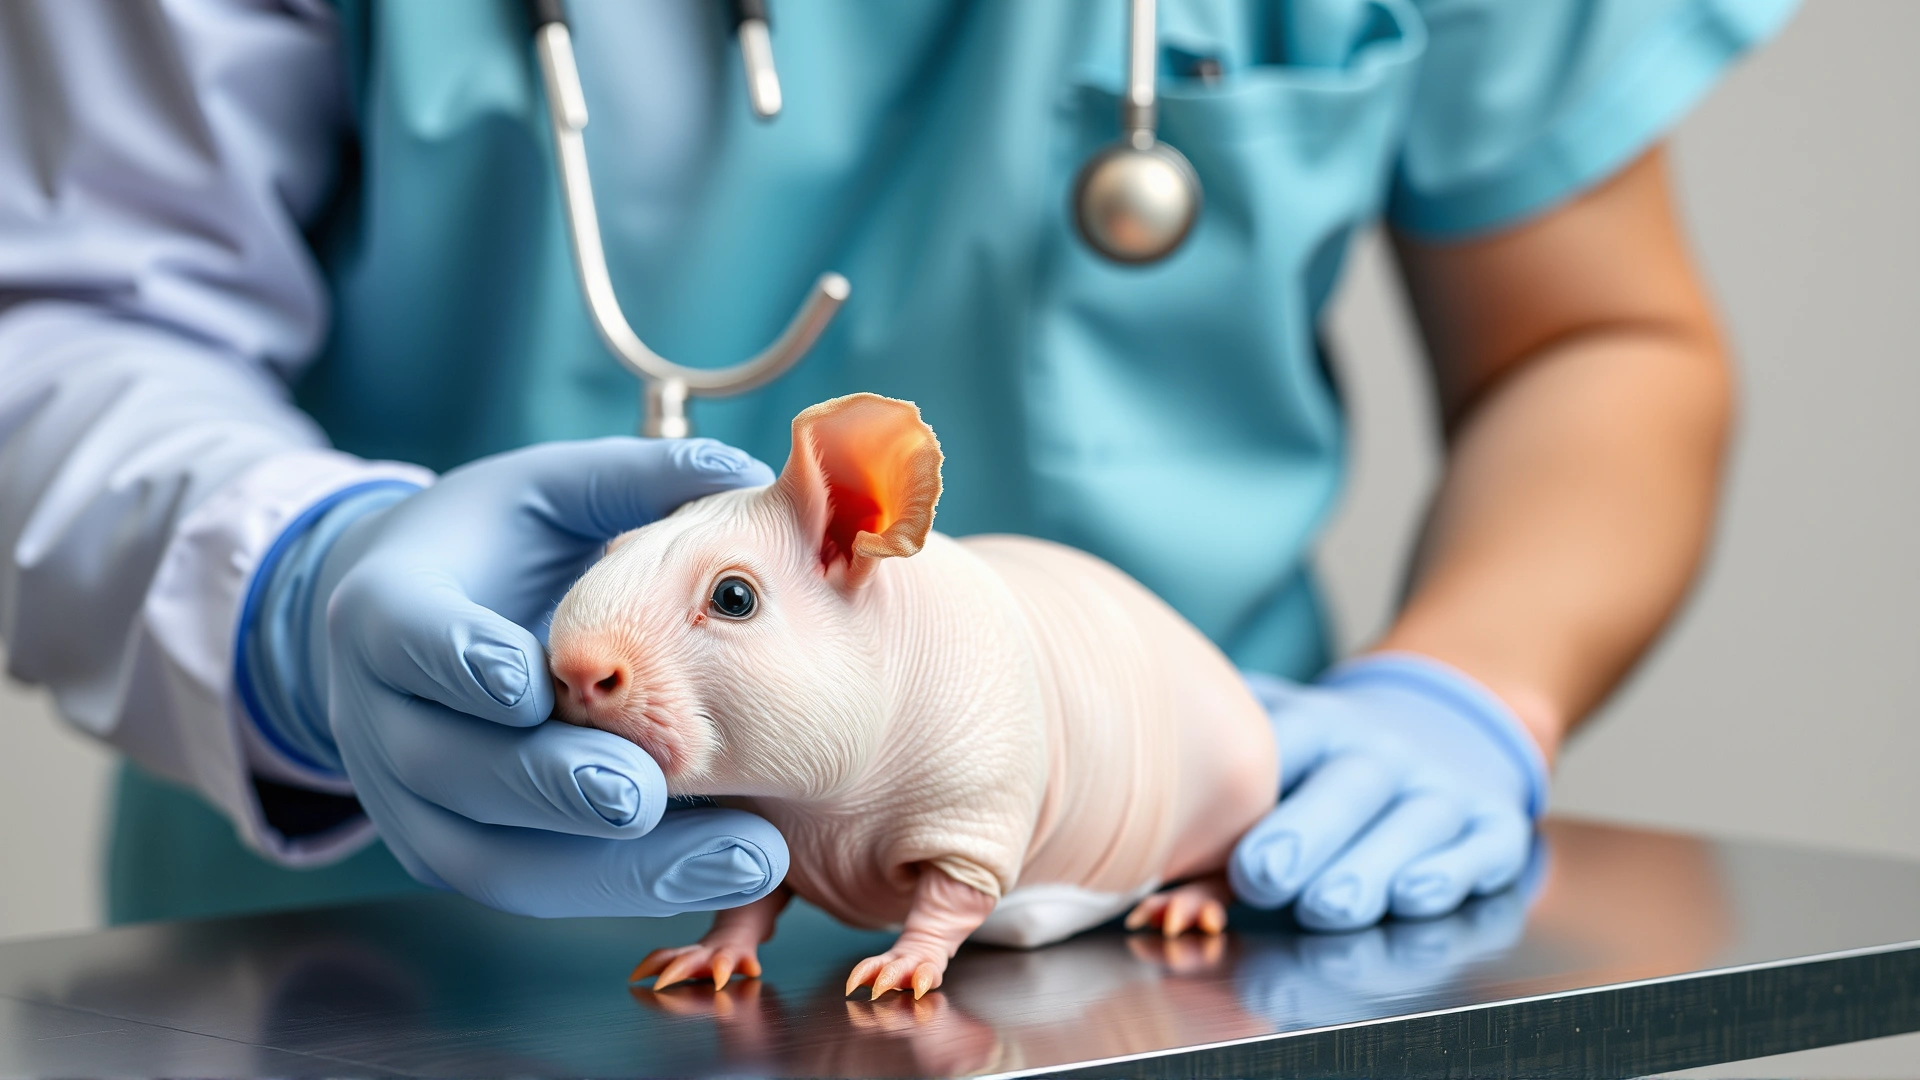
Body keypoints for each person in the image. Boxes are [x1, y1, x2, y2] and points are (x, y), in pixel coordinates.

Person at [0, 0, 1791, 932]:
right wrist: (302, 585)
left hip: (1184, 902)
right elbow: (63, 313)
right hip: (374, 964)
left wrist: (1466, 694)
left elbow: (1593, 342)